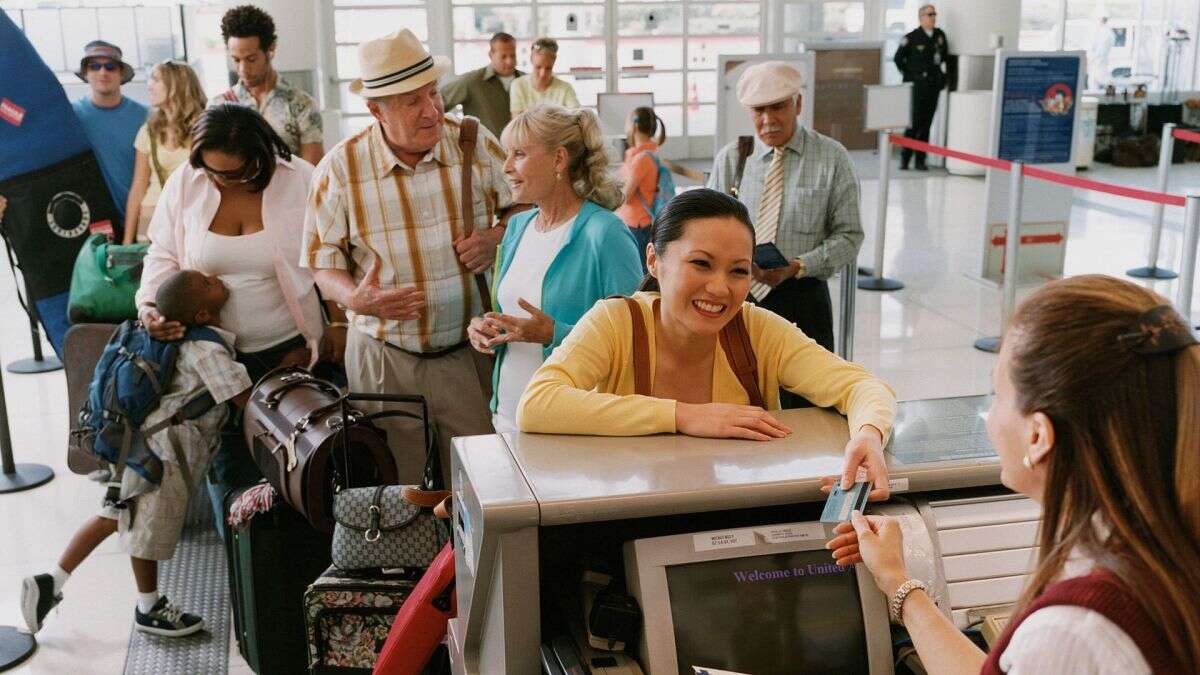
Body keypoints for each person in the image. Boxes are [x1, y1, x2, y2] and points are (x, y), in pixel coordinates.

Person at [828, 275, 1200, 674]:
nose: (990, 418)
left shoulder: (1075, 629)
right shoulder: (1166, 551)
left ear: (1038, 435)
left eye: (998, 396)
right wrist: (899, 582)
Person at [518, 188, 895, 499]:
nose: (719, 288)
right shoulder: (617, 321)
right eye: (700, 264)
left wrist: (869, 435)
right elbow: (537, 403)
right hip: (629, 518)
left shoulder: (756, 329)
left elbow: (861, 385)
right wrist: (685, 415)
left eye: (738, 271)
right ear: (654, 260)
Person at [303, 29, 515, 487]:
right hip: (385, 360)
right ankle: (414, 563)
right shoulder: (340, 170)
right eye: (411, 101)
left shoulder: (475, 144)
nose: (432, 110)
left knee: (487, 486)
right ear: (375, 110)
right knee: (399, 492)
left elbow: (525, 206)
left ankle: (469, 563)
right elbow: (322, 262)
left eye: (433, 93)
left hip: (470, 353)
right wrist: (354, 299)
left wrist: (496, 235)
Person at [137, 104, 344, 533]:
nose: (219, 181)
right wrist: (151, 308)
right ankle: (244, 584)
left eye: (232, 174)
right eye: (211, 171)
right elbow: (162, 253)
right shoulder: (186, 185)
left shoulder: (300, 179)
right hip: (214, 363)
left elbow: (334, 253)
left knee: (300, 476)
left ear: (260, 155)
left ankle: (295, 583)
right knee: (231, 483)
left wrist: (339, 323)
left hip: (291, 356)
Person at [21, 269, 252, 639]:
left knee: (114, 513)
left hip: (139, 440)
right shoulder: (207, 349)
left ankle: (51, 581)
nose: (216, 279)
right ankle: (149, 609)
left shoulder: (185, 336)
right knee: (146, 527)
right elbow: (245, 400)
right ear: (202, 315)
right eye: (208, 284)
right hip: (167, 453)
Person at [469, 104, 642, 433]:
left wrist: (552, 333)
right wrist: (485, 327)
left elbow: (637, 338)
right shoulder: (517, 226)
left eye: (518, 154)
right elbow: (512, 317)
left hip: (573, 425)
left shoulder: (604, 233)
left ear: (559, 159)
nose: (505, 167)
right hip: (507, 413)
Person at [707, 61, 863, 408]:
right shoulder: (733, 158)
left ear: (798, 104)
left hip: (803, 299)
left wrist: (797, 266)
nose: (768, 120)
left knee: (809, 404)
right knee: (738, 398)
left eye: (778, 107)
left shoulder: (831, 158)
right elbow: (707, 232)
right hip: (739, 299)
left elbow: (850, 235)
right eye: (759, 110)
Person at [212, 4, 324, 165]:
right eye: (236, 60)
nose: (243, 69)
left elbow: (313, 175)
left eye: (251, 59)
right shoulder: (218, 105)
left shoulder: (302, 106)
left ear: (270, 49)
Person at [123, 60, 207, 244]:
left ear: (176, 84)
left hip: (191, 216)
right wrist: (127, 241)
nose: (149, 85)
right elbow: (138, 186)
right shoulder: (149, 130)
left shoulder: (204, 128)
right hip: (150, 214)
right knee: (149, 270)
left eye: (156, 79)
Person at [72, 40, 148, 226]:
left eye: (110, 66)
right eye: (95, 66)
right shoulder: (72, 117)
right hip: (93, 222)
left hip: (140, 219)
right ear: (86, 74)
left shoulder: (146, 116)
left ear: (121, 73)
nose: (103, 72)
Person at [894, 4, 949, 171]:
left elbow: (945, 58)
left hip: (932, 86)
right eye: (930, 14)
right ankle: (905, 158)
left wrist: (944, 80)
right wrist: (910, 76)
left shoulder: (939, 36)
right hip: (917, 86)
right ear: (921, 18)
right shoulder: (911, 37)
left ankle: (920, 160)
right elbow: (898, 59)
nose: (933, 17)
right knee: (913, 123)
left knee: (926, 125)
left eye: (934, 14)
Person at [441, 32, 523, 138]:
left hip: (523, 151)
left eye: (513, 55)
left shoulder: (526, 81)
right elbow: (438, 102)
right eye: (503, 56)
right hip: (483, 152)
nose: (510, 61)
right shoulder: (471, 81)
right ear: (491, 55)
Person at [615, 106, 668, 266]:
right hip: (638, 223)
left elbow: (625, 196)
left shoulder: (641, 159)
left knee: (639, 273)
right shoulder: (642, 155)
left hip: (637, 225)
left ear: (634, 125)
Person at [509, 38, 580, 116]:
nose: (543, 74)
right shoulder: (518, 85)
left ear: (554, 63)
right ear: (531, 60)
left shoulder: (565, 88)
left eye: (548, 68)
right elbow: (517, 122)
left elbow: (577, 117)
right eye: (538, 67)